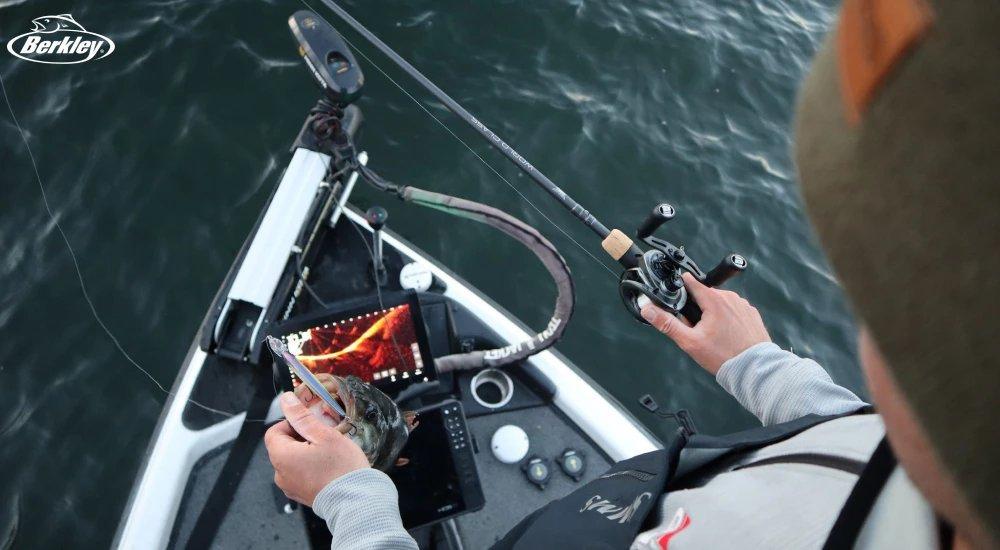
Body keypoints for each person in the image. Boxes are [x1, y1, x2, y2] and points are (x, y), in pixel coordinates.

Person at [264, 0, 998, 548]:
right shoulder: (944, 467)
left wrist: (353, 502)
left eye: (897, 311)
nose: (874, 331)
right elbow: (865, 443)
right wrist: (760, 367)